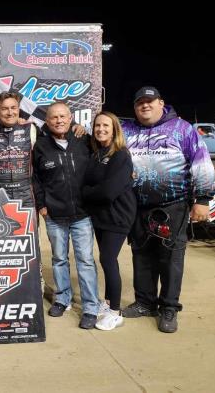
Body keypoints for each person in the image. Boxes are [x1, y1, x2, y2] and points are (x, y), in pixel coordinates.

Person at [121, 86, 215, 333]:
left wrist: (202, 199)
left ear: (161, 103)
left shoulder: (182, 129)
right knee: (141, 255)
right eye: (140, 102)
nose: (145, 106)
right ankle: (144, 303)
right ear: (135, 107)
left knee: (170, 258)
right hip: (138, 207)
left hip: (173, 206)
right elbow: (100, 136)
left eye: (150, 101)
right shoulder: (126, 130)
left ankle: (169, 308)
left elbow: (201, 162)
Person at [33, 101, 100, 329]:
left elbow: (100, 167)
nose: (59, 121)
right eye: (54, 117)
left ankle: (91, 306)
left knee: (86, 261)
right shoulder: (40, 146)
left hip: (82, 215)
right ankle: (62, 299)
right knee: (59, 259)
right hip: (55, 215)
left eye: (63, 116)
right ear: (47, 121)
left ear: (71, 118)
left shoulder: (84, 140)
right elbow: (36, 179)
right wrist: (42, 205)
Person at [82, 111, 137, 331]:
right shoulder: (96, 153)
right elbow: (95, 185)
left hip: (118, 216)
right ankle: (106, 303)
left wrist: (86, 192)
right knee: (105, 259)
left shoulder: (121, 155)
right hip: (101, 217)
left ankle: (115, 311)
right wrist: (92, 190)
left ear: (114, 129)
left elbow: (108, 192)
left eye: (106, 125)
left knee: (108, 259)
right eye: (97, 126)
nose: (101, 129)